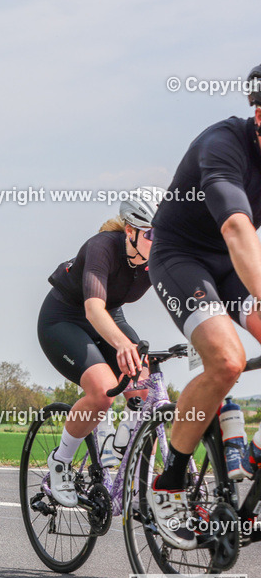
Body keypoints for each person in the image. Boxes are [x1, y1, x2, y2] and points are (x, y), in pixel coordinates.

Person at [146, 64, 261, 549]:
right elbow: (237, 229)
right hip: (182, 257)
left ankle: (247, 465)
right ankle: (169, 481)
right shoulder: (223, 144)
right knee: (228, 360)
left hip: (232, 265)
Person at [37, 190, 160, 507]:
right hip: (64, 318)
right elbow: (93, 309)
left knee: (146, 389)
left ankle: (128, 469)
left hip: (110, 316)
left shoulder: (159, 257)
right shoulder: (102, 246)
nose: (159, 241)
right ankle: (60, 462)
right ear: (130, 230)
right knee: (104, 391)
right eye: (151, 233)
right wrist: (121, 344)